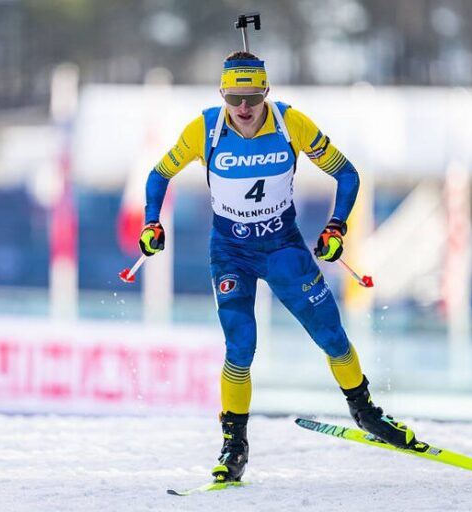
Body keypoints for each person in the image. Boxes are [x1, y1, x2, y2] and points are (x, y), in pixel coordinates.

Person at [139, 51, 416, 483]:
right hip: (231, 251)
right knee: (240, 347)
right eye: (234, 97)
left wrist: (336, 226)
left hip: (282, 247)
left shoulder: (291, 123)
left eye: (252, 97)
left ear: (266, 91)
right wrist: (151, 221)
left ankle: (365, 412)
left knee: (331, 335)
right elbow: (159, 174)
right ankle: (234, 444)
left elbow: (347, 174)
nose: (243, 107)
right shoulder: (205, 129)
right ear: (221, 94)